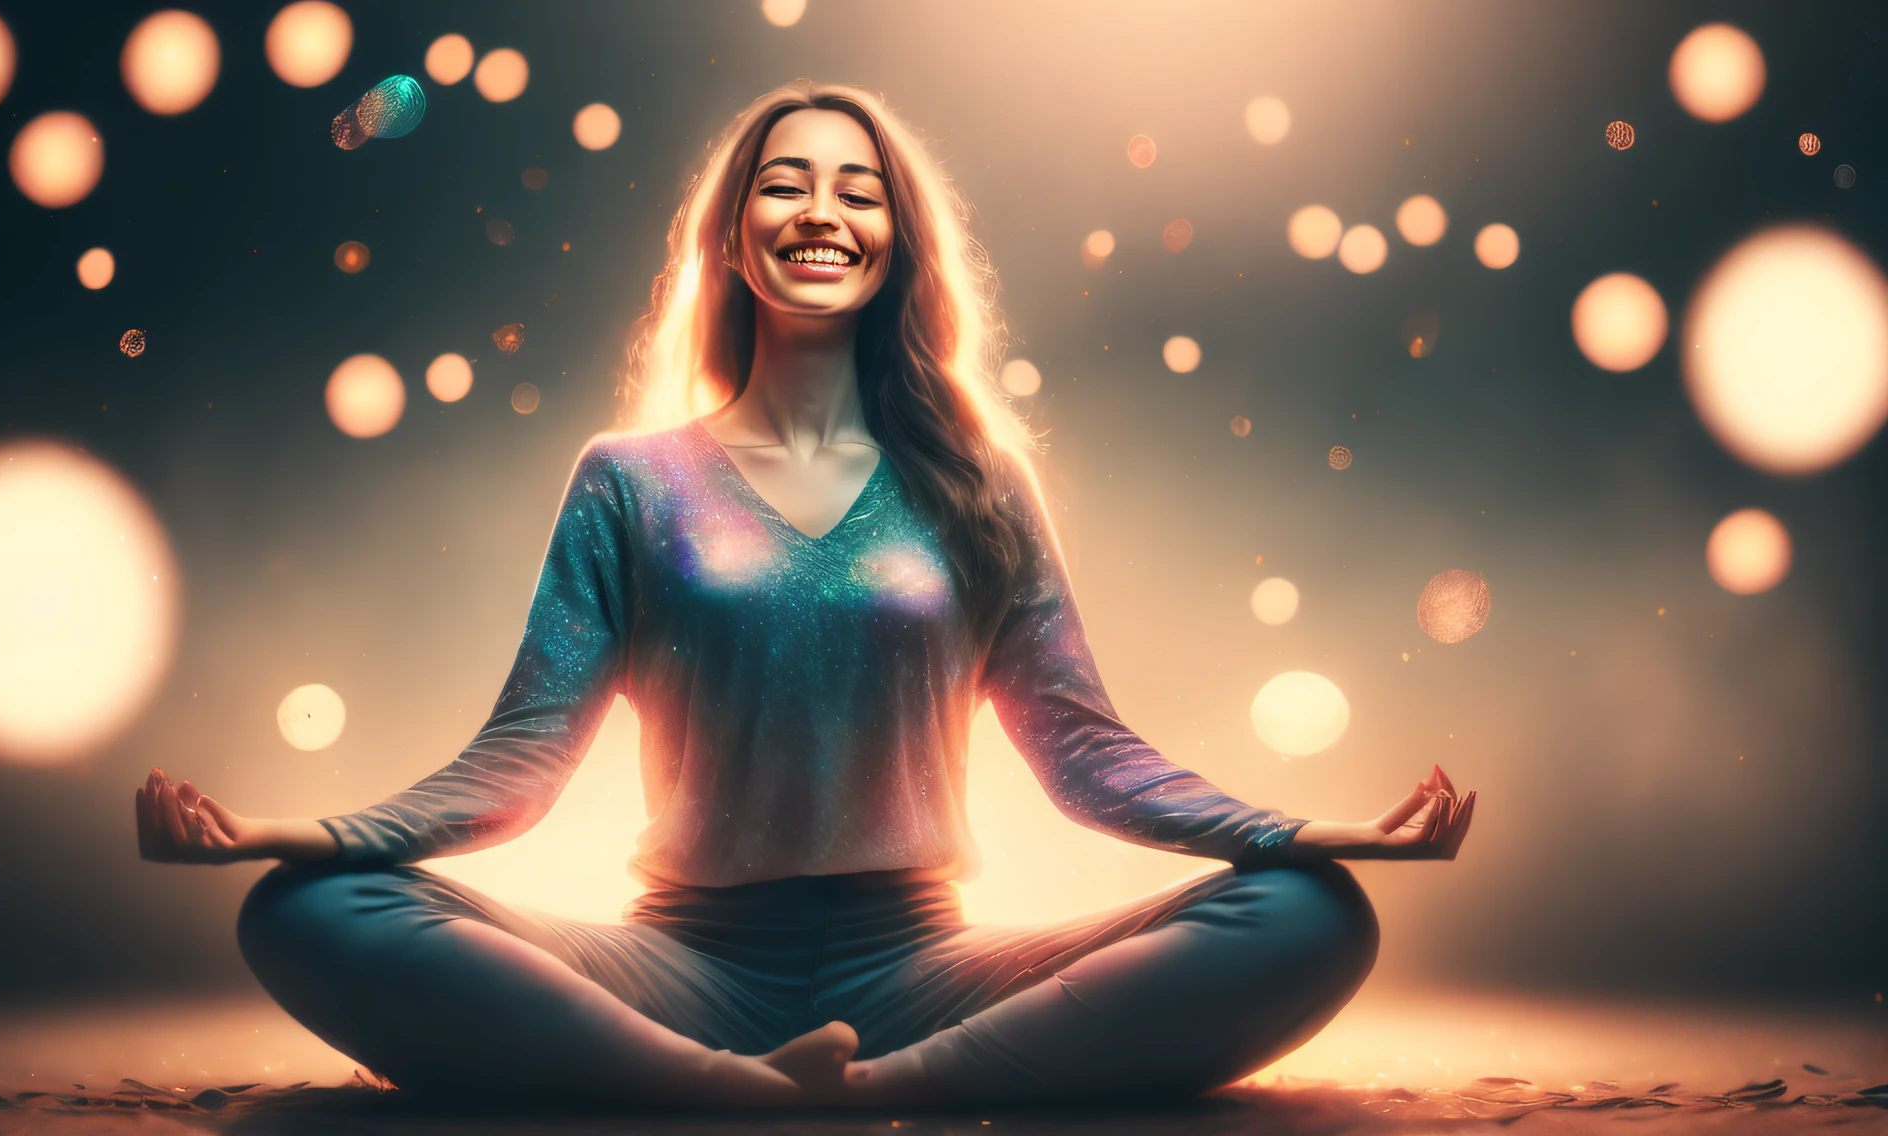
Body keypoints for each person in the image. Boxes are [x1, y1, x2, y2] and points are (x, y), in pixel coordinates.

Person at [136, 80, 1476, 1109]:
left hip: (930, 979)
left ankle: (867, 1099)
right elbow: (522, 760)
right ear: (733, 236)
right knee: (305, 913)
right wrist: (282, 831)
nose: (822, 211)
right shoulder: (630, 480)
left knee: (1306, 913)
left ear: (897, 241)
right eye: (786, 184)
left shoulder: (980, 484)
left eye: (859, 190)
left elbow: (1084, 752)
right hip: (675, 976)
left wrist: (1313, 829)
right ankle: (724, 1095)